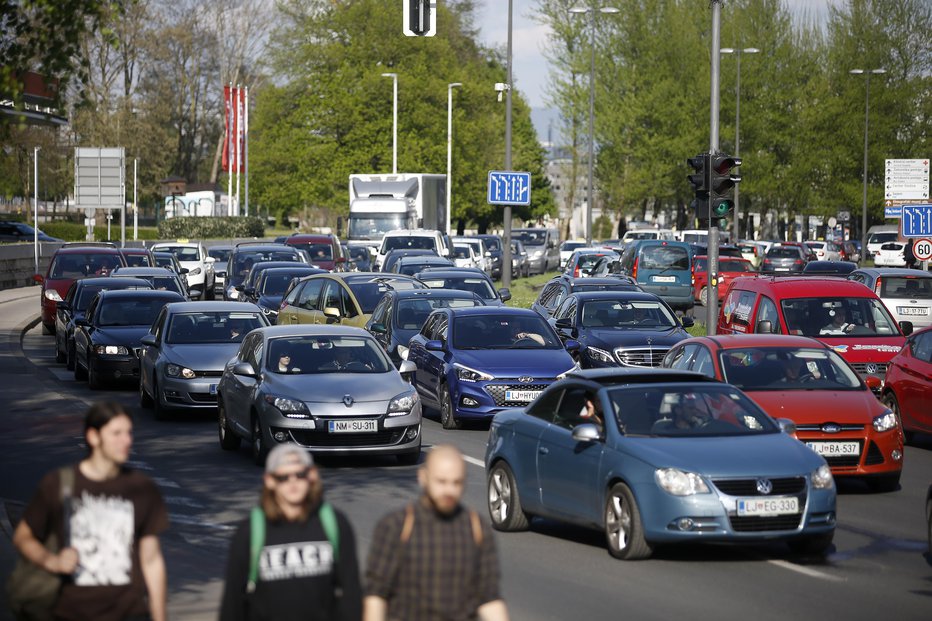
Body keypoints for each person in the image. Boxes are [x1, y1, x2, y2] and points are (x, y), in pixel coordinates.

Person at [12, 401, 169, 621]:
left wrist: (160, 616)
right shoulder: (59, 485)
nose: (126, 441)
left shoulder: (142, 488)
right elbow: (22, 537)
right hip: (72, 611)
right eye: (116, 433)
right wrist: (52, 561)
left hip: (130, 612)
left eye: (129, 433)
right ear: (93, 437)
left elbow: (151, 559)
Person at [364, 445, 509, 621]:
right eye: (441, 481)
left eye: (456, 482)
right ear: (423, 477)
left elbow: (489, 598)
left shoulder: (476, 528)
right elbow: (376, 595)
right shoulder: (396, 526)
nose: (449, 490)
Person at [219, 444, 362, 621]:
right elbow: (232, 603)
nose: (292, 482)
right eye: (283, 477)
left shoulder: (335, 524)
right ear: (270, 481)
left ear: (312, 476)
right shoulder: (250, 531)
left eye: (300, 475)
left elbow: (352, 595)